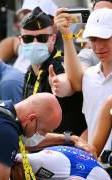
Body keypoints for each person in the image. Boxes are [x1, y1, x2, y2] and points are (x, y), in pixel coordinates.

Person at [51, 8, 112, 150]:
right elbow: (74, 80)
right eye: (93, 39)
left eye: (105, 38)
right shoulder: (89, 76)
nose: (98, 46)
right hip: (94, 163)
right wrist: (66, 34)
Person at [19, 7, 87, 138]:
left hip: (68, 146)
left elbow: (67, 79)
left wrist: (61, 84)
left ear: (53, 39)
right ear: (20, 40)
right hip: (41, 146)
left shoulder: (61, 65)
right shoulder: (29, 73)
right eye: (28, 38)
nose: (34, 43)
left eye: (42, 38)